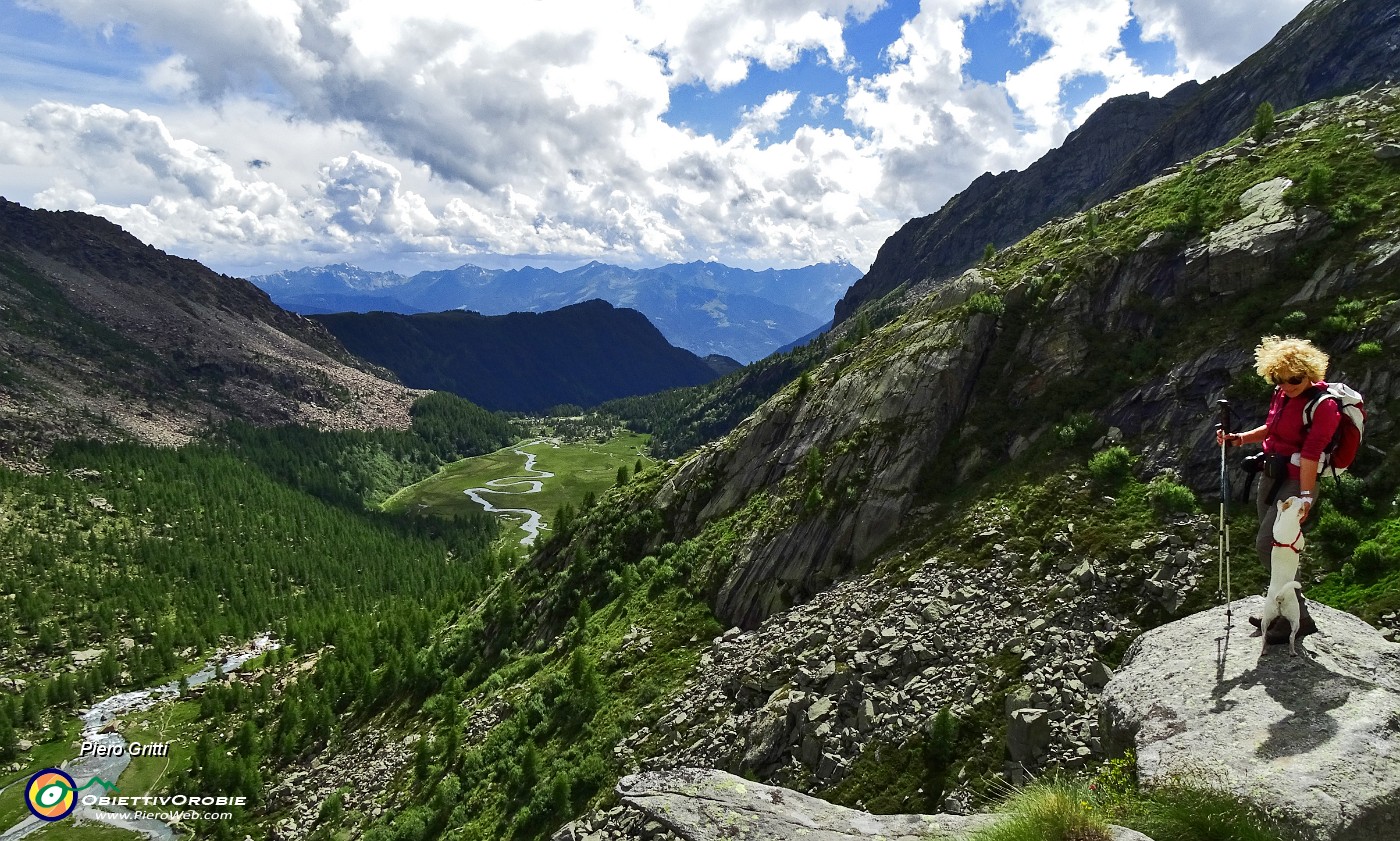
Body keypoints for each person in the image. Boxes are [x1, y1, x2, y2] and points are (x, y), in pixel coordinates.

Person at [1217, 335, 1338, 638]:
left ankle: (1299, 618)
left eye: (1294, 379)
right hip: (1273, 474)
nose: (1286, 385)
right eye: (1278, 379)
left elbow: (1311, 454)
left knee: (1269, 544)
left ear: (1310, 373)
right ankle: (1286, 610)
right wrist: (1240, 438)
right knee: (1280, 549)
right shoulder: (1282, 395)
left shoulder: (1324, 407)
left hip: (1298, 480)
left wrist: (1307, 497)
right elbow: (1273, 428)